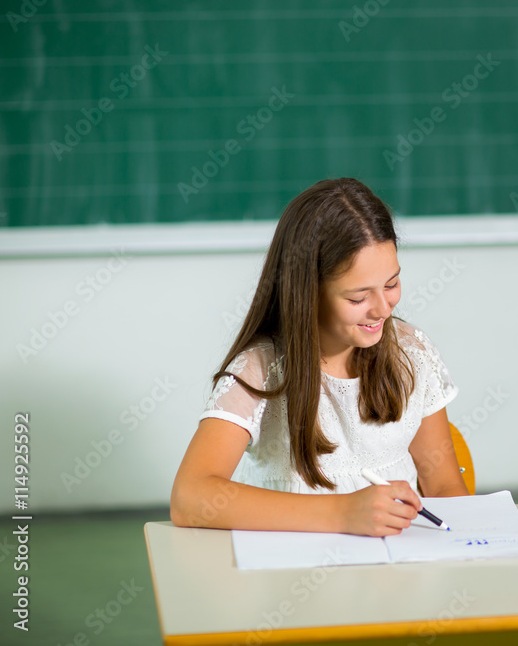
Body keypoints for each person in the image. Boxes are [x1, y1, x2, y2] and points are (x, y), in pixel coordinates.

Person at [171, 178, 468, 537]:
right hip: (291, 577)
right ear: (307, 292)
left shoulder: (411, 354)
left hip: (394, 572)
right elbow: (189, 497)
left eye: (391, 285)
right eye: (358, 298)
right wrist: (343, 514)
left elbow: (444, 488)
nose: (382, 309)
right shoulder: (261, 370)